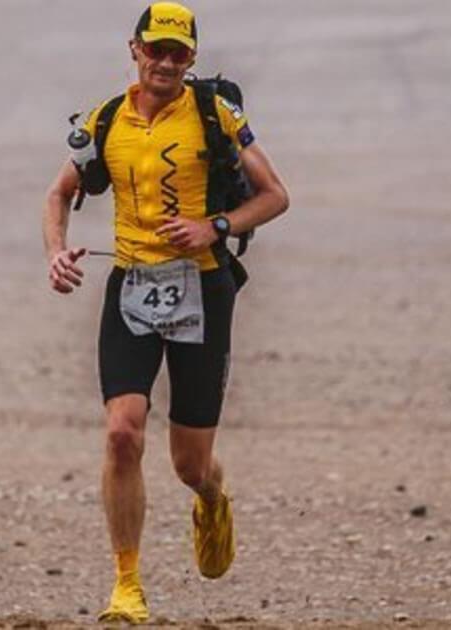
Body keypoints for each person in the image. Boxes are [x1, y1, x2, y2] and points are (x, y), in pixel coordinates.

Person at [40, 2, 289, 623]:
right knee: (122, 434)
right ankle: (127, 586)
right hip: (130, 286)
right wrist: (55, 254)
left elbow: (275, 195)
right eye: (157, 49)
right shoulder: (106, 120)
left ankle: (211, 497)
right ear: (135, 49)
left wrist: (216, 226)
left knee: (188, 464)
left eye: (179, 53)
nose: (167, 63)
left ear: (192, 59)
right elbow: (59, 193)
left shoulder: (214, 116)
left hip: (201, 291)